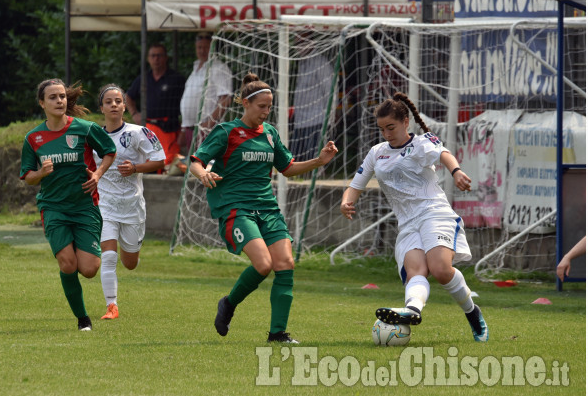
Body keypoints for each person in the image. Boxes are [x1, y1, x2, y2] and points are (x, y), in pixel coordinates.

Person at [189, 73, 338, 343]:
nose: (267, 112)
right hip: (236, 209)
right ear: (245, 104)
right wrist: (203, 174)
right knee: (263, 264)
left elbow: (288, 168)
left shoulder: (270, 134)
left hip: (267, 209)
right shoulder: (227, 132)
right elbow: (196, 161)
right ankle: (229, 303)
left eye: (270, 106)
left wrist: (319, 161)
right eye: (262, 106)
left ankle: (277, 334)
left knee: (286, 264)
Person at [339, 92, 489, 342]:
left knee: (441, 270)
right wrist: (347, 201)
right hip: (407, 223)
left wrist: (456, 172)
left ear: (405, 122)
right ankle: (412, 311)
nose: (387, 134)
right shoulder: (377, 153)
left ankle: (473, 313)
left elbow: (444, 154)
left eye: (391, 127)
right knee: (415, 271)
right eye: (382, 129)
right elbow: (356, 184)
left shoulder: (421, 143)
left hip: (434, 213)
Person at [19, 78, 116, 331]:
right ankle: (83, 320)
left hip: (85, 208)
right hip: (54, 208)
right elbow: (28, 176)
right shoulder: (33, 138)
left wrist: (97, 175)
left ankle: (73, 246)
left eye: (62, 96)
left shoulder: (84, 128)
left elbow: (109, 150)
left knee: (90, 269)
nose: (59, 101)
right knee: (68, 264)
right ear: (42, 103)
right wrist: (41, 173)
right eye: (52, 97)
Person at [94, 84, 166, 320]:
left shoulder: (139, 133)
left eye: (118, 101)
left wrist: (135, 167)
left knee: (130, 263)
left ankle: (132, 249)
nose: (114, 105)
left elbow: (159, 160)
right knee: (108, 255)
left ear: (124, 106)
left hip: (133, 207)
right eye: (109, 102)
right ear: (102, 107)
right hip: (105, 205)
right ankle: (111, 306)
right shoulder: (93, 135)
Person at [126, 43, 186, 172]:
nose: (156, 59)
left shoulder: (176, 79)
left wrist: (184, 129)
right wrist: (134, 114)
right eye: (153, 56)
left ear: (166, 58)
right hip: (148, 129)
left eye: (159, 56)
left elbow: (187, 104)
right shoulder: (143, 79)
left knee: (168, 163)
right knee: (149, 162)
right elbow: (128, 97)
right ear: (148, 59)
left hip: (170, 128)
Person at [179, 32, 233, 156]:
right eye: (199, 47)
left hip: (208, 130)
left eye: (206, 47)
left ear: (213, 48)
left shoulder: (219, 67)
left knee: (207, 169)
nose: (202, 50)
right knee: (193, 168)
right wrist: (183, 128)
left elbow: (225, 100)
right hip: (190, 129)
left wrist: (207, 125)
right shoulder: (196, 67)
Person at [289, 32, 335, 162]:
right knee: (295, 159)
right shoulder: (302, 63)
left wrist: (330, 117)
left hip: (316, 120)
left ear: (311, 43)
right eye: (297, 43)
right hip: (300, 120)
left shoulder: (320, 63)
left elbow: (330, 90)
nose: (298, 47)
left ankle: (318, 179)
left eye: (301, 43)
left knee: (316, 159)